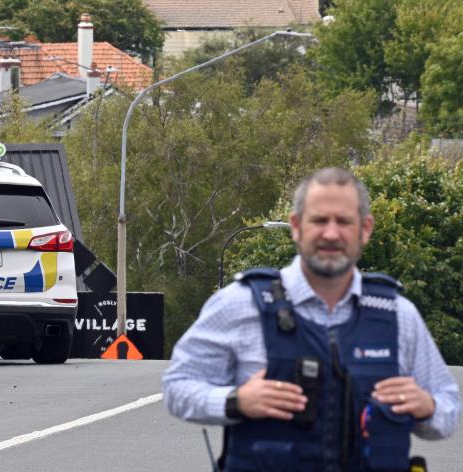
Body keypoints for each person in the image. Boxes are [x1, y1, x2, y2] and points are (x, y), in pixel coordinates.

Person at [162, 168, 459, 471]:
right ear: (296, 226)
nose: (331, 234)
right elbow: (177, 387)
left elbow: (448, 409)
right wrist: (236, 400)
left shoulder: (399, 315)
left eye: (344, 221)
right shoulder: (240, 303)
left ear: (365, 229)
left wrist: (427, 407)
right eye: (319, 220)